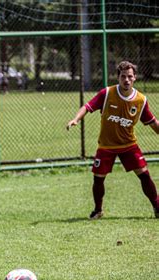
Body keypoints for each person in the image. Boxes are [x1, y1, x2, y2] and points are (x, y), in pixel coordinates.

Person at [67, 61, 159, 219]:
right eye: (123, 76)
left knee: (144, 175)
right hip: (106, 146)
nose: (127, 80)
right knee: (98, 179)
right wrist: (75, 119)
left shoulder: (140, 100)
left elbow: (153, 123)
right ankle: (98, 210)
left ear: (135, 78)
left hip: (129, 145)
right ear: (118, 77)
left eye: (130, 76)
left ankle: (157, 208)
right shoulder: (107, 93)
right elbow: (87, 107)